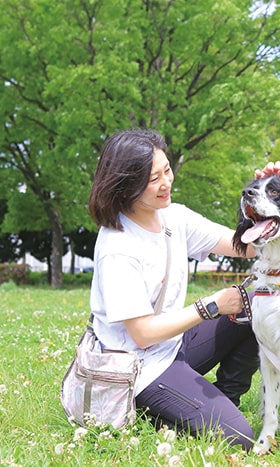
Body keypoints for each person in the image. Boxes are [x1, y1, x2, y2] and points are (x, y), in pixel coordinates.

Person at [88, 129, 265, 449]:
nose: (165, 183)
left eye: (166, 170)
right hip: (138, 366)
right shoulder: (118, 246)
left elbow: (245, 248)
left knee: (254, 306)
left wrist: (265, 195)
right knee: (240, 439)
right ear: (126, 185)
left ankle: (224, 400)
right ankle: (155, 410)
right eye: (152, 178)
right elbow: (142, 333)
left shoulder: (174, 217)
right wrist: (210, 306)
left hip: (175, 346)